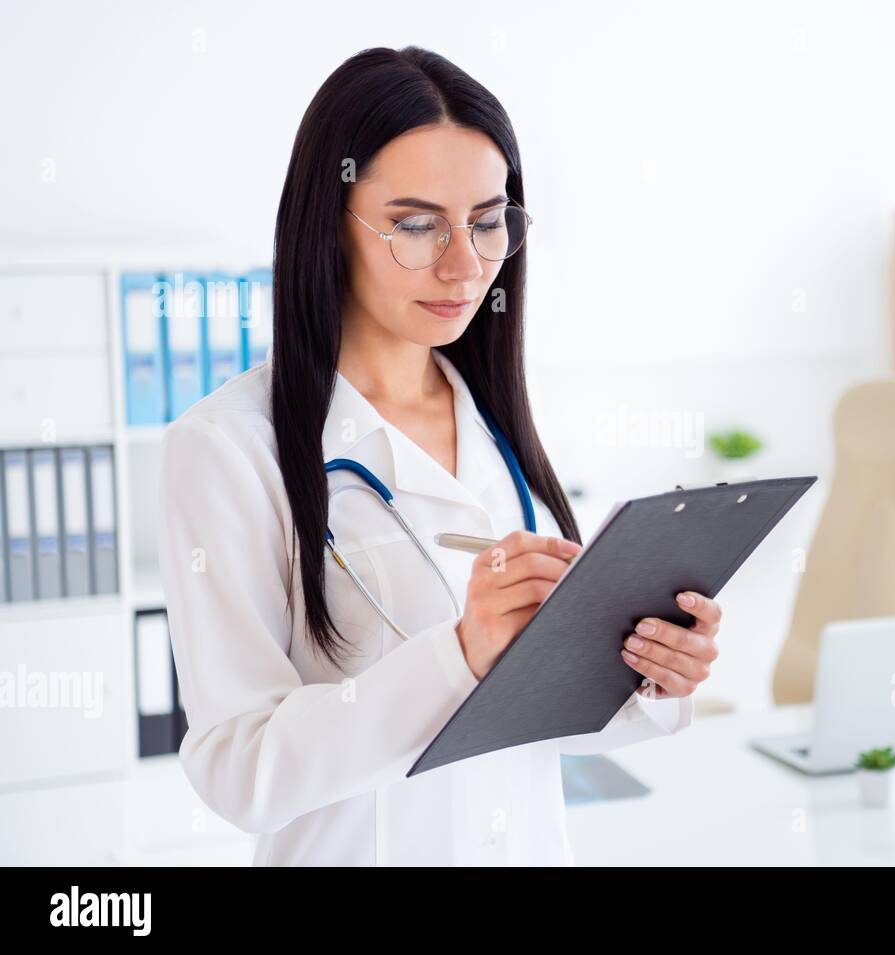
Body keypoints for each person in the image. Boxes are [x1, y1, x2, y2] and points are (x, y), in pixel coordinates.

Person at [158, 45, 722, 865]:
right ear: (329, 222)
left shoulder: (497, 423)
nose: (464, 266)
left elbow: (541, 721)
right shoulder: (227, 449)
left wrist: (651, 674)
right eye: (416, 225)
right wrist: (457, 656)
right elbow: (240, 772)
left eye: (488, 221)